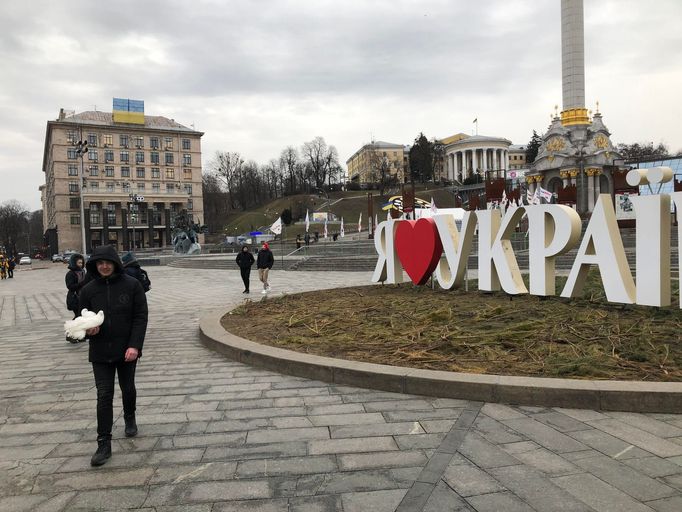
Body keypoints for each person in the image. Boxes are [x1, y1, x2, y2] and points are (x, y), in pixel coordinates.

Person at [78, 245, 148, 467]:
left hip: (126, 349)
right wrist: (87, 332)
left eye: (108, 262)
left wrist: (135, 346)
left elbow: (140, 317)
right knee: (104, 395)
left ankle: (129, 416)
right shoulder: (88, 290)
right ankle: (104, 443)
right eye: (100, 263)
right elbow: (81, 320)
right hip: (100, 352)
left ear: (116, 263)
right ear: (95, 266)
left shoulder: (132, 285)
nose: (104, 266)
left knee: (128, 388)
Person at [65, 253, 90, 343]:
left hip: (82, 297)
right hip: (74, 298)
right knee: (78, 316)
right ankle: (69, 333)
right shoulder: (70, 274)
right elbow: (70, 286)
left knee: (81, 316)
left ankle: (79, 335)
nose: (80, 265)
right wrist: (83, 283)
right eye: (78, 263)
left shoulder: (82, 272)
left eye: (81, 263)